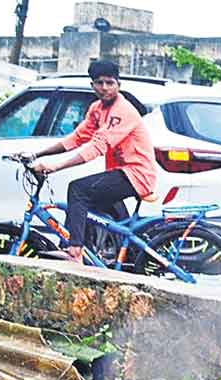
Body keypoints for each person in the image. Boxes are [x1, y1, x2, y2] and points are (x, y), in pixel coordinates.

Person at [27, 59, 156, 261]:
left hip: (136, 175)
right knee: (86, 208)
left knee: (78, 190)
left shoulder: (123, 110)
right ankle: (125, 257)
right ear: (92, 85)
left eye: (110, 83)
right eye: (99, 83)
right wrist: (37, 155)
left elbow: (97, 146)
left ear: (118, 84)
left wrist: (54, 166)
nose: (104, 88)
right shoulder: (97, 108)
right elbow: (77, 138)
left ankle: (74, 251)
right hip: (120, 173)